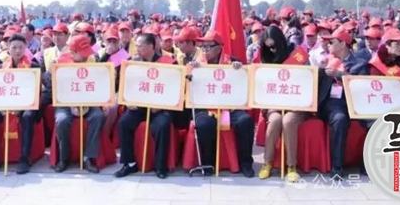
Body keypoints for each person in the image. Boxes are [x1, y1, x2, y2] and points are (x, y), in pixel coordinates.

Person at [190, 30, 255, 177]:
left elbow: (242, 84)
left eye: (208, 46)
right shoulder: (197, 63)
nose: (205, 50)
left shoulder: (232, 62)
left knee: (245, 121)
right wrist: (192, 70)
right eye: (203, 46)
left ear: (219, 47)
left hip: (229, 108)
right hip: (206, 107)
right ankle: (208, 164)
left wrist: (239, 71)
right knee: (204, 124)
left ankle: (245, 163)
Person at [114, 34, 174, 179]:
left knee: (162, 125)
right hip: (139, 106)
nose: (137, 48)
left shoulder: (169, 63)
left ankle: (160, 166)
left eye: (140, 46)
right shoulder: (132, 63)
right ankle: (130, 163)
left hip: (160, 107)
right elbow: (126, 86)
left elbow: (174, 88)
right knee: (124, 123)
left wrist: (162, 105)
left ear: (151, 46)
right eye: (136, 45)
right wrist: (128, 101)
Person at [0, 34, 41, 175]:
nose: (17, 51)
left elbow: (36, 92)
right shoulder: (1, 67)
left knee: (27, 117)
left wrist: (20, 107)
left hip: (28, 105)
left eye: (21, 47)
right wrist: (1, 106)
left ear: (26, 47)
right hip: (6, 103)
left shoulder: (34, 66)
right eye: (14, 47)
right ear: (8, 48)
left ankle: (24, 158)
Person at [257, 26, 307, 182]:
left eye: (273, 46)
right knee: (275, 120)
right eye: (268, 47)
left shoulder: (296, 55)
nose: (271, 50)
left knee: (288, 121)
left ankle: (291, 166)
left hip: (296, 103)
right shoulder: (266, 59)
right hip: (274, 103)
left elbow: (309, 79)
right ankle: (267, 163)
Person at [317, 28, 368, 178]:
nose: (328, 45)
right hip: (333, 103)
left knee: (377, 122)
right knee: (340, 119)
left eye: (331, 42)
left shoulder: (360, 64)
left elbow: (361, 85)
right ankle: (337, 167)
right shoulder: (327, 61)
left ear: (343, 44)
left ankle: (368, 164)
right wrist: (320, 70)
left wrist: (340, 75)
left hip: (355, 103)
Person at [52, 34, 106, 173]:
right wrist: (71, 104)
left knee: (98, 117)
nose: (87, 56)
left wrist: (96, 103)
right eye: (83, 53)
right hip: (65, 103)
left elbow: (98, 85)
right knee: (62, 120)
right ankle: (64, 158)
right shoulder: (59, 64)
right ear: (73, 52)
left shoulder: (92, 61)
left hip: (89, 100)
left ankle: (88, 157)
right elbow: (56, 88)